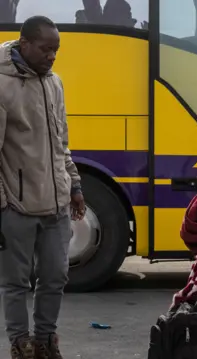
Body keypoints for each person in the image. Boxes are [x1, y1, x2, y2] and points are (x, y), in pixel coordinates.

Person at [0, 16, 86, 359]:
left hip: (57, 204)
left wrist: (75, 185)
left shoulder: (55, 83)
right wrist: (3, 204)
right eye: (46, 48)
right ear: (25, 44)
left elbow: (61, 143)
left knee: (55, 276)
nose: (53, 56)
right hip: (17, 207)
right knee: (16, 283)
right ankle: (21, 344)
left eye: (57, 50)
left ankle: (45, 342)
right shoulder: (2, 85)